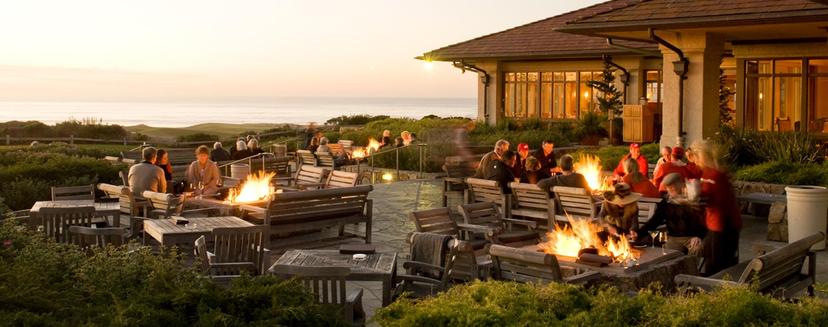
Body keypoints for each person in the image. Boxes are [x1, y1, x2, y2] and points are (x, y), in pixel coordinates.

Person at [694, 140, 742, 276]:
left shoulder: (716, 175)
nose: (695, 160)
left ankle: (716, 289)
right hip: (713, 223)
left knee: (719, 262)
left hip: (723, 224)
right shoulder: (707, 174)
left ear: (703, 156)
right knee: (712, 258)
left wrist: (700, 200)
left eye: (696, 156)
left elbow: (721, 201)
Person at [633, 173, 706, 256]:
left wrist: (698, 236)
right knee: (668, 256)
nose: (669, 189)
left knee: (697, 249)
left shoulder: (692, 199)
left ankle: (691, 268)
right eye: (668, 187)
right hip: (673, 238)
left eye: (672, 186)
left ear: (681, 184)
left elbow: (701, 221)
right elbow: (655, 221)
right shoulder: (666, 202)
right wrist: (638, 233)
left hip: (691, 238)